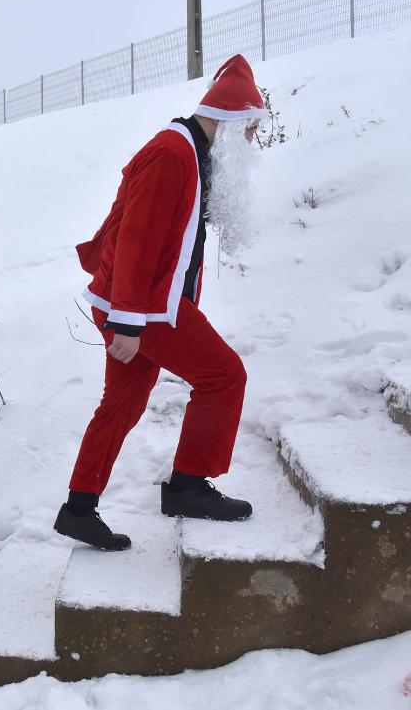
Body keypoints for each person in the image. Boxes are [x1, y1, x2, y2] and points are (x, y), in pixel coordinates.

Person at [54, 55, 263, 553]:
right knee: (224, 376)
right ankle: (188, 486)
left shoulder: (192, 153)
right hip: (143, 308)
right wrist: (126, 323)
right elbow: (136, 241)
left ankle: (78, 510)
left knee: (121, 406)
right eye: (250, 132)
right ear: (232, 121)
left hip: (143, 304)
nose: (252, 144)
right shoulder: (173, 153)